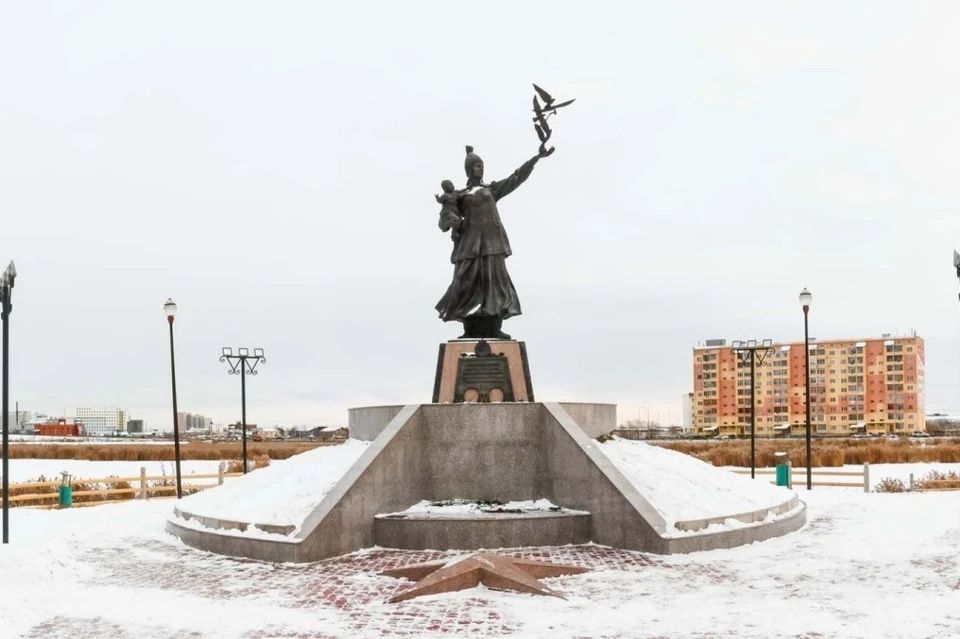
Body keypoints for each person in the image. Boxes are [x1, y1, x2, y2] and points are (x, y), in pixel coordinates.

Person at [435, 144, 551, 339]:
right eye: (477, 165)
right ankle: (466, 319)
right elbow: (446, 216)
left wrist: (535, 159)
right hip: (469, 244)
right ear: (469, 169)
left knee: (494, 281)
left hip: (492, 242)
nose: (481, 168)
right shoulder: (460, 195)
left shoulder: (492, 189)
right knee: (464, 281)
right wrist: (452, 222)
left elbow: (516, 178)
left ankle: (492, 321)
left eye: (482, 165)